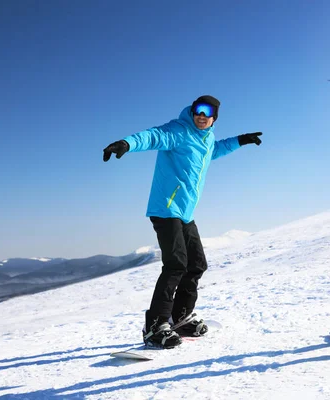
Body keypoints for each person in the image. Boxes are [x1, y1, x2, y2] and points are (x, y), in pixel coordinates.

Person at [103, 95, 263, 349]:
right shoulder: (179, 130)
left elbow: (214, 150)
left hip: (185, 213)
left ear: (214, 117)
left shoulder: (206, 138)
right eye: (197, 110)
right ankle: (155, 325)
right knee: (176, 264)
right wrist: (126, 143)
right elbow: (154, 136)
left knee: (197, 264)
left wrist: (239, 141)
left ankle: (180, 317)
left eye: (207, 112)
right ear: (192, 111)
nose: (201, 115)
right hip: (166, 208)